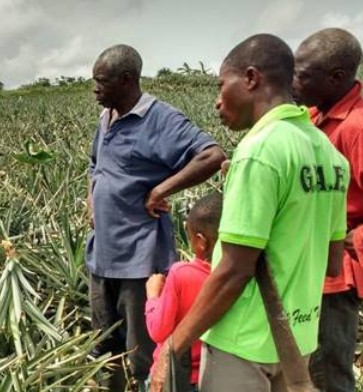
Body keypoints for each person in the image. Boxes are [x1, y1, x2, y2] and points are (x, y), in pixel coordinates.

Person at [149, 34, 349, 392]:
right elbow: (333, 263)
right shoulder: (330, 155)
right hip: (297, 337)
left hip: (241, 342)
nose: (217, 100)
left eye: (222, 84)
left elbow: (233, 272)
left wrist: (173, 345)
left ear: (252, 78)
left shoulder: (258, 151)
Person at [87, 43, 226, 391]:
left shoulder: (160, 119)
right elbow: (95, 165)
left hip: (139, 258)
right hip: (102, 255)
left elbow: (210, 155)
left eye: (101, 81)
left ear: (126, 79)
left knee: (142, 354)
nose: (95, 88)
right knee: (104, 345)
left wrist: (161, 190)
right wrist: (93, 200)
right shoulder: (107, 118)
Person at [293, 28, 363, 392]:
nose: (294, 81)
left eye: (303, 74)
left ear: (337, 77)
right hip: (309, 267)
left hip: (333, 276)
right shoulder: (314, 115)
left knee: (326, 373)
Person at [145, 192, 222, 391]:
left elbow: (158, 331)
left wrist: (152, 296)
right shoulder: (237, 278)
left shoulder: (181, 274)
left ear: (201, 241)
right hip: (211, 375)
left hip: (175, 377)